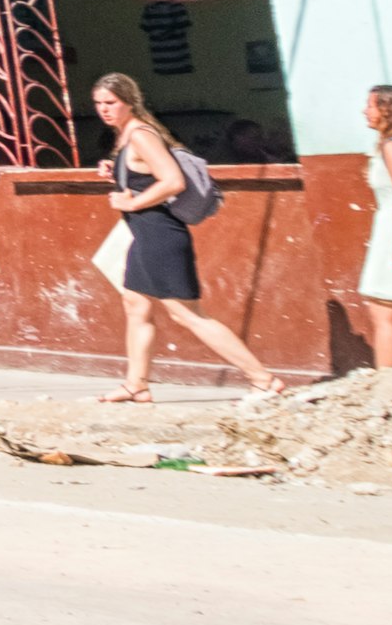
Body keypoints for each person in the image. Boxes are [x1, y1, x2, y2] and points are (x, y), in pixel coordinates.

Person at [93, 71, 285, 403]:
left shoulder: (140, 135)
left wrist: (132, 201)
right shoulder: (125, 137)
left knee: (186, 313)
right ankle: (136, 384)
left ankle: (263, 379)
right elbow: (143, 171)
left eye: (111, 103)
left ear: (129, 102)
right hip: (144, 235)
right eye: (98, 104)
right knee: (135, 303)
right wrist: (114, 168)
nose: (104, 110)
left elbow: (172, 181)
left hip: (160, 235)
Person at [359, 84, 392, 373]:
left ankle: (389, 390)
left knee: (385, 311)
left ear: (387, 110)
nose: (365, 110)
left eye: (371, 105)